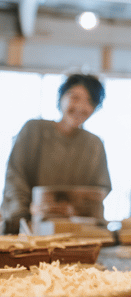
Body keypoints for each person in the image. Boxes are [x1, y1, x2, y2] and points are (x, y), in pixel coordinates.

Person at [1, 74, 110, 234]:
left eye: (90, 101)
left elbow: (100, 190)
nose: (81, 107)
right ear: (61, 98)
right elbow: (15, 177)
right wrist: (24, 214)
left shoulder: (94, 144)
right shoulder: (33, 129)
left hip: (71, 231)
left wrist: (73, 208)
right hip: (26, 227)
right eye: (75, 97)